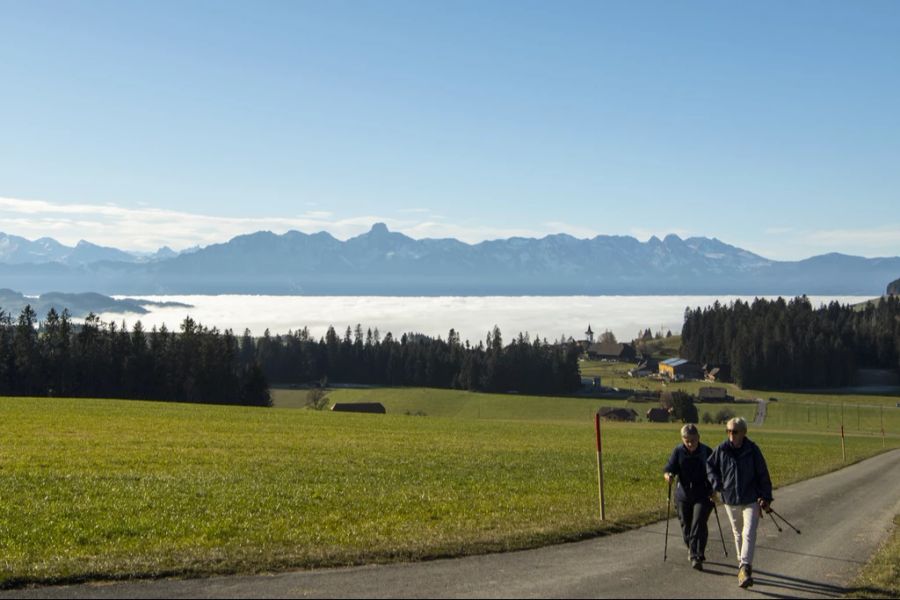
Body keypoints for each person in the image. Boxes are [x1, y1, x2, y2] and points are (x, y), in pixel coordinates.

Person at [707, 416, 774, 589]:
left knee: (749, 531)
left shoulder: (752, 450)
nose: (731, 434)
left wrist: (765, 497)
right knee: (737, 533)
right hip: (730, 499)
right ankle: (741, 568)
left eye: (734, 431)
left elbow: (763, 474)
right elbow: (710, 466)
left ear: (743, 433)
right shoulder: (721, 449)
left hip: (751, 498)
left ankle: (745, 567)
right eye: (728, 431)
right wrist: (717, 485)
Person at [662, 423, 714, 571]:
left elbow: (714, 472)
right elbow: (668, 469)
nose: (690, 443)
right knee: (686, 524)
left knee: (698, 522)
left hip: (702, 494)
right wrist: (669, 476)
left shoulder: (706, 451)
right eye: (687, 440)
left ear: (699, 437)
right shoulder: (678, 451)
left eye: (693, 440)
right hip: (683, 495)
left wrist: (714, 489)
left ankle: (696, 554)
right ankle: (693, 549)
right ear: (682, 439)